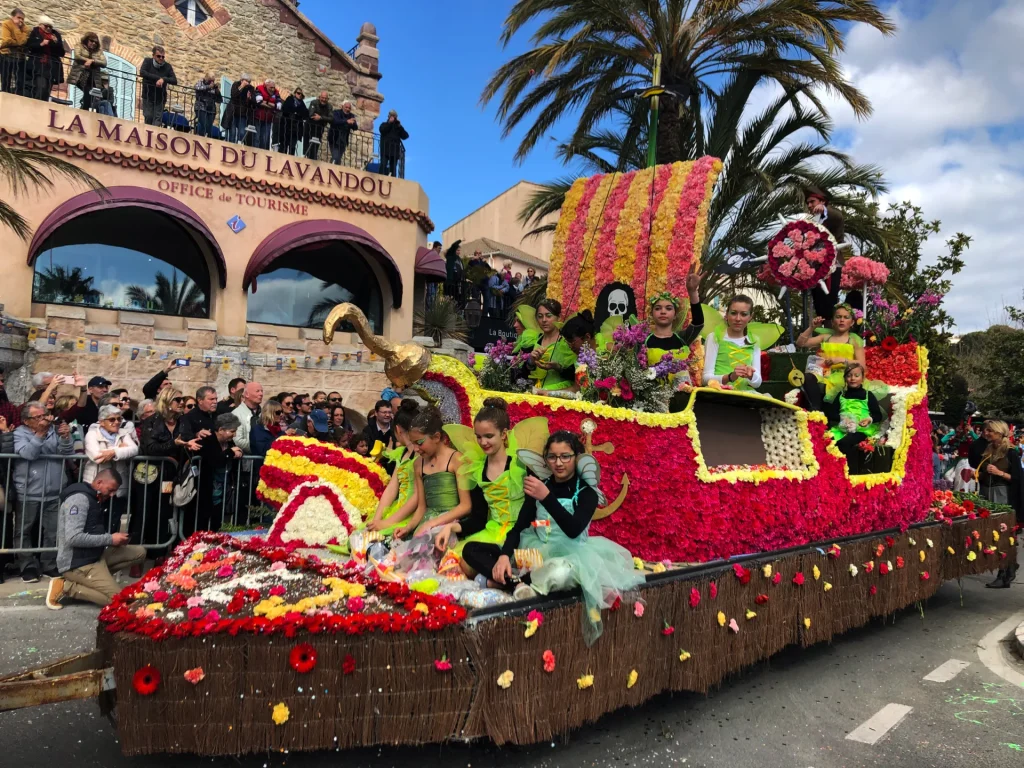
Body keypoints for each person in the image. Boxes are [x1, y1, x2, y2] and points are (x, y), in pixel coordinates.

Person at [462, 430, 644, 645]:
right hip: (536, 554)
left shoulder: (587, 493)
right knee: (472, 550)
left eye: (565, 456)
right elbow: (520, 527)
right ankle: (516, 585)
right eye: (552, 457)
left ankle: (503, 581)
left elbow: (573, 528)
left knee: (559, 575)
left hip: (571, 557)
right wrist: (503, 556)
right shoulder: (540, 486)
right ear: (546, 458)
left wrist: (546, 497)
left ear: (576, 457)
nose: (558, 463)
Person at [434, 399, 543, 558]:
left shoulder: (522, 465)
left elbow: (533, 509)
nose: (483, 442)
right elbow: (478, 520)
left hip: (524, 533)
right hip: (491, 533)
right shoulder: (477, 471)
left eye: (489, 436)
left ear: (504, 434)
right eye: (478, 437)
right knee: (458, 559)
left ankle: (504, 579)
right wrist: (451, 527)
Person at [46, 469, 146, 610]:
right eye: (110, 490)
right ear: (99, 483)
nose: (112, 495)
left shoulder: (94, 498)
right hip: (77, 563)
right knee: (120, 601)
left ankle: (94, 581)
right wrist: (110, 539)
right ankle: (67, 586)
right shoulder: (79, 500)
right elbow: (73, 538)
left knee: (139, 552)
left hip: (94, 556)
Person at [12, 400, 74, 581]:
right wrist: (40, 434)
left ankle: (49, 564)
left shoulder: (53, 431)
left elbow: (66, 453)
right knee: (24, 530)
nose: (43, 420)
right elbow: (28, 454)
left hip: (54, 489)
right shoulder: (19, 433)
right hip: (29, 490)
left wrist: (65, 438)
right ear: (26, 420)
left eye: (44, 416)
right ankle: (27, 566)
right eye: (37, 417)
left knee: (53, 531)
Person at [394, 407, 471, 538]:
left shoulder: (456, 459)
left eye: (419, 443)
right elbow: (422, 507)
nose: (416, 449)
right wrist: (408, 527)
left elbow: (465, 506)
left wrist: (433, 523)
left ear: (436, 437)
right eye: (413, 443)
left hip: (450, 521)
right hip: (427, 522)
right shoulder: (418, 464)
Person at [969, 420, 1023, 588]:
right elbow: (985, 473)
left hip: (1003, 497)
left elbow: (1018, 479)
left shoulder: (1011, 452)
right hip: (988, 494)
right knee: (993, 533)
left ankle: (1004, 572)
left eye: (990, 431)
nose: (986, 433)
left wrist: (1000, 473)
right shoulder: (988, 450)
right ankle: (1008, 567)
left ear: (1000, 432)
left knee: (1002, 533)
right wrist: (977, 475)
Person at [797, 303, 875, 409]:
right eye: (838, 317)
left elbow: (862, 365)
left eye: (846, 317)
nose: (842, 320)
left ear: (852, 322)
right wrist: (811, 327)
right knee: (808, 377)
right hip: (824, 373)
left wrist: (841, 360)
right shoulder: (825, 337)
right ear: (833, 322)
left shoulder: (853, 340)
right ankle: (816, 410)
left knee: (839, 386)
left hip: (844, 375)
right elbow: (800, 343)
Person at [134, 387, 184, 551]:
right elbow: (150, 448)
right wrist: (173, 444)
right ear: (167, 402)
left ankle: (160, 552)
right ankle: (137, 554)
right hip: (150, 475)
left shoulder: (182, 421)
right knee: (144, 512)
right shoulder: (152, 421)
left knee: (165, 512)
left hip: (170, 475)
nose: (181, 403)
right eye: (177, 400)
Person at [365, 401, 420, 535]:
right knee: (364, 535)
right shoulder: (402, 453)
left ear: (398, 430)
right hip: (397, 509)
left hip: (413, 513)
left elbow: (418, 496)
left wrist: (386, 523)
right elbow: (392, 488)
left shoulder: (420, 454)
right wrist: (378, 519)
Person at [83, 405, 139, 535]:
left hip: (118, 487)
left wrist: (114, 451)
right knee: (95, 521)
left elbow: (134, 449)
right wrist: (120, 449)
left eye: (119, 419)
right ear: (102, 422)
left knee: (114, 521)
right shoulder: (92, 434)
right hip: (98, 485)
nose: (116, 422)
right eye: (112, 419)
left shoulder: (123, 433)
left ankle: (110, 549)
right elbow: (97, 456)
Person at [701, 295, 775, 390]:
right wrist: (730, 376)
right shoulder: (714, 337)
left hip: (744, 397)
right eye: (733, 313)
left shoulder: (754, 341)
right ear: (726, 314)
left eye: (744, 314)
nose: (738, 319)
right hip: (718, 395)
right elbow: (705, 379)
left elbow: (757, 382)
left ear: (750, 317)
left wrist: (750, 376)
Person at [824, 363, 885, 475]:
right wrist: (842, 419)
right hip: (842, 428)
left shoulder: (868, 395)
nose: (852, 378)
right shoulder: (841, 395)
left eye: (856, 375)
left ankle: (849, 474)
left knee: (845, 443)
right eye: (849, 375)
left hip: (861, 430)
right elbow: (831, 413)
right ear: (845, 379)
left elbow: (878, 416)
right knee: (827, 441)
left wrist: (868, 419)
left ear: (862, 378)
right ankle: (830, 473)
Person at [176, 386, 218, 536]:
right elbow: (184, 437)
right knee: (193, 509)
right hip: (195, 470)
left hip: (210, 470)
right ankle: (188, 539)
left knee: (207, 508)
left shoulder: (214, 416)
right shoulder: (189, 417)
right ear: (200, 400)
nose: (215, 402)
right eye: (211, 399)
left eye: (216, 399)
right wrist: (196, 433)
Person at [645, 270, 705, 368]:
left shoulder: (683, 337)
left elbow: (698, 322)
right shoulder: (644, 339)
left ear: (675, 314)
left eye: (668, 308)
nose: (663, 312)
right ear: (651, 314)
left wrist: (693, 292)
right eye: (658, 308)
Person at [805, 187, 849, 319]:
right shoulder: (810, 221)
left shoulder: (831, 215)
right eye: (808, 203)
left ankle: (833, 335)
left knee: (830, 305)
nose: (809, 205)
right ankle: (821, 336)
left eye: (812, 201)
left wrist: (824, 210)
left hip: (832, 264)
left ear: (822, 202)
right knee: (819, 306)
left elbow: (838, 217)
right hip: (815, 268)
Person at [524, 299, 577, 392]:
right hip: (536, 392)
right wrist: (531, 361)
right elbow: (525, 372)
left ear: (558, 317)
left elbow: (577, 375)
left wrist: (558, 368)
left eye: (548, 316)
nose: (544, 320)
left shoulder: (567, 342)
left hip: (560, 394)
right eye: (540, 316)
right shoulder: (534, 341)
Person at [25, 14, 62, 101]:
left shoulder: (56, 35)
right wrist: (41, 44)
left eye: (50, 27)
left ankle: (42, 106)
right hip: (38, 65)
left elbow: (61, 52)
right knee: (41, 88)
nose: (49, 28)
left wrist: (56, 42)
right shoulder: (35, 32)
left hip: (51, 67)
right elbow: (29, 45)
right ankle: (37, 106)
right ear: (40, 25)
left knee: (47, 91)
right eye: (46, 26)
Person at [139, 45, 176, 126]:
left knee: (157, 120)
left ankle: (154, 137)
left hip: (160, 97)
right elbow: (142, 72)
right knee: (148, 116)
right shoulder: (147, 61)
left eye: (163, 57)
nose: (161, 58)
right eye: (159, 56)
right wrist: (158, 79)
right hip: (148, 95)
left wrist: (163, 79)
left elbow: (174, 80)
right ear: (153, 56)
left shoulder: (167, 66)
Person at [68, 32, 105, 111]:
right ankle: (84, 109)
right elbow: (77, 56)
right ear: (87, 40)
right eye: (91, 41)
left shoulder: (99, 51)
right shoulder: (79, 46)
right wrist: (87, 60)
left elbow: (104, 63)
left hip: (94, 77)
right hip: (81, 73)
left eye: (95, 42)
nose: (93, 43)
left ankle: (84, 106)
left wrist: (92, 61)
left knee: (94, 94)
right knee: (88, 92)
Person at [0, 8, 29, 95]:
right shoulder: (6, 24)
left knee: (20, 81)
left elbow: (22, 42)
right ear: (12, 17)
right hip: (7, 55)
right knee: (6, 79)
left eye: (22, 19)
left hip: (20, 57)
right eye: (18, 17)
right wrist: (16, 30)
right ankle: (5, 96)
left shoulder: (25, 28)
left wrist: (15, 41)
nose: (21, 20)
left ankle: (18, 97)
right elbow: (6, 40)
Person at [229, 382, 263, 454]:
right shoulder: (236, 414)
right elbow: (238, 440)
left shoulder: (264, 413)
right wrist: (260, 447)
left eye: (261, 391)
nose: (261, 394)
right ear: (247, 394)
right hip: (247, 460)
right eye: (257, 391)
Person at [225, 73, 255, 144]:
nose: (247, 83)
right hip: (233, 112)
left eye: (249, 82)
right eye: (246, 81)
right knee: (232, 132)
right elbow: (233, 95)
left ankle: (239, 146)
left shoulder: (250, 88)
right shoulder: (236, 84)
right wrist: (241, 87)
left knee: (242, 132)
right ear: (241, 80)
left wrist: (249, 98)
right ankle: (231, 146)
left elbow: (253, 101)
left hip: (243, 114)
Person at [253, 78, 282, 149]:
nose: (272, 89)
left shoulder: (276, 92)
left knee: (265, 139)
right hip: (258, 117)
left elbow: (278, 106)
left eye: (273, 87)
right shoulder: (259, 88)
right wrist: (272, 105)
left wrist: (266, 102)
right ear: (266, 85)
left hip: (268, 119)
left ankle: (262, 154)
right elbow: (259, 101)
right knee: (256, 137)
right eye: (271, 87)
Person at [379, 109, 408, 177]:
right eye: (391, 116)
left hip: (394, 151)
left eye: (394, 116)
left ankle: (392, 180)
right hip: (385, 149)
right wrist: (389, 123)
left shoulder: (398, 127)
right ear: (388, 116)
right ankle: (380, 177)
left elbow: (405, 136)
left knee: (393, 168)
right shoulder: (384, 124)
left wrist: (400, 127)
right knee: (383, 164)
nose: (393, 117)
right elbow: (382, 130)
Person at [280, 86, 308, 156]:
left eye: (301, 94)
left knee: (292, 147)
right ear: (295, 93)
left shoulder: (302, 104)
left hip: (296, 129)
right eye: (298, 93)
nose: (300, 95)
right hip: (286, 126)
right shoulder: (290, 99)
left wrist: (296, 112)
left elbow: (305, 113)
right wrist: (296, 112)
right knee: (284, 145)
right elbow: (285, 109)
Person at [328, 100, 357, 165]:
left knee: (338, 157)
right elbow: (335, 121)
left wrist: (353, 123)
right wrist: (346, 121)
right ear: (342, 107)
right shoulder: (336, 112)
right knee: (336, 157)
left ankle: (334, 168)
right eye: (346, 107)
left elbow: (355, 128)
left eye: (349, 108)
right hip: (334, 138)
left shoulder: (351, 116)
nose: (347, 109)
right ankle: (332, 168)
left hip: (343, 140)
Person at [305, 90, 331, 159]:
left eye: (325, 98)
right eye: (322, 98)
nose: (324, 99)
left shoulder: (329, 106)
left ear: (327, 99)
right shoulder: (314, 102)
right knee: (307, 147)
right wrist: (324, 118)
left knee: (315, 149)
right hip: (309, 128)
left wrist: (320, 117)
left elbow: (331, 118)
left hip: (319, 130)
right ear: (319, 97)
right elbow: (311, 114)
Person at [193, 73, 221, 138]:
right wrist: (208, 87)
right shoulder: (200, 82)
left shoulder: (214, 87)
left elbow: (219, 100)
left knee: (209, 127)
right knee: (204, 124)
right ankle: (200, 138)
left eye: (213, 81)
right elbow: (197, 87)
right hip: (201, 107)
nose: (211, 82)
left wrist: (217, 90)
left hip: (211, 109)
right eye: (210, 80)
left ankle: (207, 140)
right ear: (206, 78)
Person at [442, 240, 464, 305]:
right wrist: (460, 240)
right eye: (457, 250)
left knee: (456, 300)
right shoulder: (450, 257)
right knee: (448, 299)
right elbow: (453, 246)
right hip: (449, 281)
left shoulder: (459, 259)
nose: (458, 252)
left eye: (459, 250)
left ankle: (455, 313)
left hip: (457, 283)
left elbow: (462, 270)